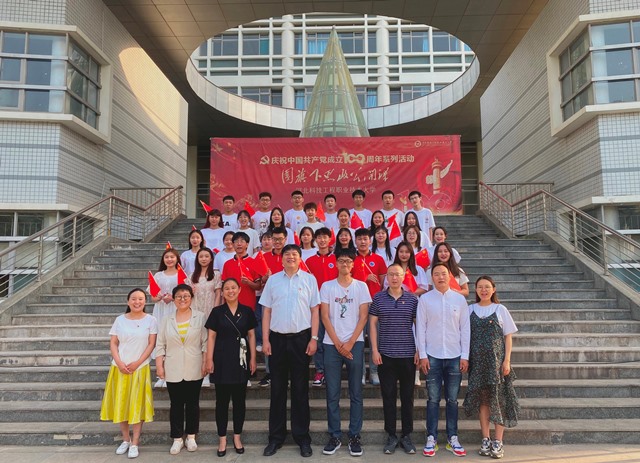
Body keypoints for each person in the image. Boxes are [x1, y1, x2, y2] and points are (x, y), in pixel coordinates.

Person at [261, 244, 321, 458]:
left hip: (301, 340)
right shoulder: (273, 280)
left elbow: (315, 311)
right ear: (281, 258)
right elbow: (266, 311)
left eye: (294, 254)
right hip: (277, 340)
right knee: (277, 390)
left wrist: (314, 338)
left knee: (300, 390)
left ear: (300, 258)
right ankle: (275, 438)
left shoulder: (309, 280)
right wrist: (265, 339)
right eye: (287, 254)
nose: (290, 257)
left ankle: (302, 438)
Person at [319, 248, 371, 456]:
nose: (345, 264)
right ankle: (334, 435)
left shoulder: (361, 286)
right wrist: (338, 343)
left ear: (353, 264)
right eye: (341, 261)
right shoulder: (327, 286)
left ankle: (354, 435)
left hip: (354, 343)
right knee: (332, 393)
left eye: (348, 261)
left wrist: (349, 343)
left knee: (355, 392)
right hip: (331, 344)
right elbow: (324, 316)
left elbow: (364, 317)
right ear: (336, 263)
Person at [417, 262, 470, 458]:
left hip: (455, 356)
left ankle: (452, 438)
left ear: (450, 277)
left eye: (443, 274)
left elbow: (465, 329)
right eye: (436, 274)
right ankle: (431, 437)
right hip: (432, 356)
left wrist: (465, 355)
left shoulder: (459, 299)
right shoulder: (425, 299)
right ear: (431, 277)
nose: (440, 277)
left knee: (452, 400)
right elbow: (420, 328)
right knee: (432, 399)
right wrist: (423, 354)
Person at [463, 276, 519, 459]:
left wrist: (507, 360)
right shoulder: (470, 309)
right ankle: (485, 439)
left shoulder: (500, 309)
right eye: (480, 287)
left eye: (487, 287)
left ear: (493, 289)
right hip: (477, 364)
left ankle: (498, 441)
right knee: (484, 402)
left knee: (499, 400)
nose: (484, 290)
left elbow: (508, 337)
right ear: (476, 290)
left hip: (496, 363)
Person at [100, 288, 157, 459]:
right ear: (128, 301)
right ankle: (125, 439)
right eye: (133, 299)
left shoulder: (151, 320)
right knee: (122, 403)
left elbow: (151, 344)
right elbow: (113, 343)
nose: (137, 302)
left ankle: (135, 443)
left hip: (140, 368)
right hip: (120, 368)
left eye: (140, 299)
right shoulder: (120, 320)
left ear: (145, 301)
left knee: (137, 405)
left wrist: (137, 363)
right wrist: (119, 362)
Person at [369, 264, 419, 455]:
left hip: (408, 355)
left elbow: (418, 326)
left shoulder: (412, 299)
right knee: (388, 397)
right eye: (391, 274)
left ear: (404, 276)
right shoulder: (378, 298)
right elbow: (372, 324)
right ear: (387, 277)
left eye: (398, 275)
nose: (394, 278)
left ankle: (406, 435)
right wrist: (374, 350)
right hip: (386, 356)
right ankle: (391, 435)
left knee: (407, 398)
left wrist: (419, 350)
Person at [206, 278, 258, 457]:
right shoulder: (217, 312)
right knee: (221, 402)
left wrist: (253, 358)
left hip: (241, 359)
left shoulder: (247, 311)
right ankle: (222, 439)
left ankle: (237, 437)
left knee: (239, 402)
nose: (230, 291)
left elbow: (251, 335)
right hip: (221, 358)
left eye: (233, 288)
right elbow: (211, 336)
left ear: (239, 290)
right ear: (222, 292)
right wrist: (209, 359)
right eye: (227, 288)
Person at [155, 284, 207, 455]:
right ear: (174, 299)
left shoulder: (200, 317)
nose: (182, 299)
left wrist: (205, 362)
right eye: (179, 296)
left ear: (191, 298)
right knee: (176, 404)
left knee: (192, 403)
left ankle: (191, 436)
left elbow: (205, 342)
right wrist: (159, 365)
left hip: (194, 365)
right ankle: (177, 438)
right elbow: (160, 344)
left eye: (186, 296)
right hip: (173, 366)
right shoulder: (166, 319)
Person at [306, 227, 339, 388]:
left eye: (325, 237)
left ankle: (333, 371)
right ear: (315, 240)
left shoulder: (337, 259)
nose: (322, 240)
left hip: (335, 306)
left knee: (334, 339)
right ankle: (320, 371)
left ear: (330, 239)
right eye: (319, 237)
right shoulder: (309, 262)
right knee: (318, 340)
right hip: (317, 308)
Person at [149, 248, 180, 388]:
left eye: (172, 257)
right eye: (167, 257)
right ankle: (160, 375)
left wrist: (173, 298)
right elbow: (153, 296)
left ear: (177, 259)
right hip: (160, 310)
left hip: (175, 309)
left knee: (173, 339)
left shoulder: (181, 274)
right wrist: (159, 298)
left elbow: (185, 294)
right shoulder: (158, 275)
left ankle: (171, 374)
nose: (169, 259)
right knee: (160, 340)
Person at [221, 231, 261, 311]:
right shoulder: (227, 264)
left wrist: (248, 282)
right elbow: (223, 286)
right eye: (236, 241)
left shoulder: (254, 263)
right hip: (229, 305)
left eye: (242, 241)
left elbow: (258, 286)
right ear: (233, 244)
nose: (239, 244)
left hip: (248, 305)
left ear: (247, 244)